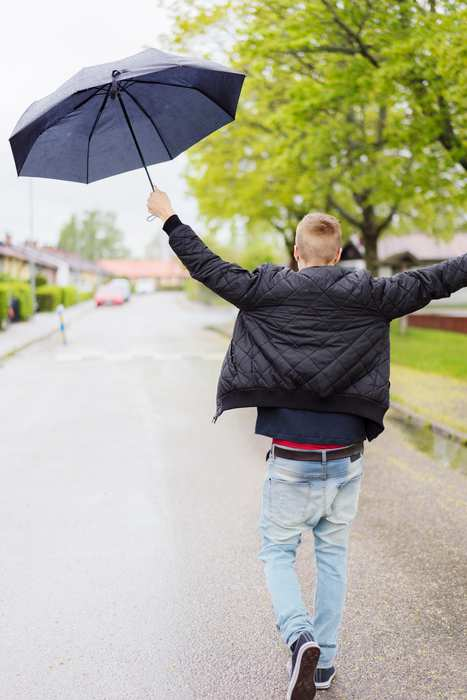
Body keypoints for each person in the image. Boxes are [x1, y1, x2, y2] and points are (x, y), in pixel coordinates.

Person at [147, 189, 467, 700]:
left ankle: (299, 636)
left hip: (291, 456)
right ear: (339, 255)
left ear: (297, 253)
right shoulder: (373, 295)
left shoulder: (265, 289)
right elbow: (439, 278)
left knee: (277, 551)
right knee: (332, 556)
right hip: (346, 457)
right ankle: (324, 667)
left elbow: (207, 265)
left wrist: (169, 217)